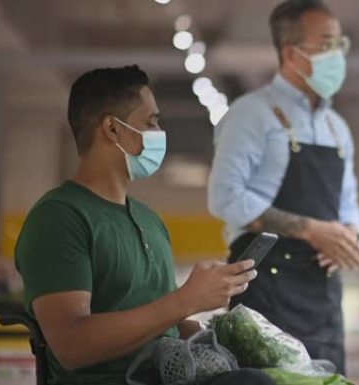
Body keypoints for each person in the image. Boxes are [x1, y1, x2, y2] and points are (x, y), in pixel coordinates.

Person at [14, 66, 274, 385]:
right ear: (112, 129)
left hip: (165, 373)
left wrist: (230, 336)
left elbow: (168, 325)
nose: (159, 131)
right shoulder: (60, 218)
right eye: (150, 121)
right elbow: (71, 344)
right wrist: (186, 299)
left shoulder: (149, 220)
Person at [208, 0, 359, 374]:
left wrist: (350, 238)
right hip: (266, 295)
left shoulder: (337, 128)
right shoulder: (252, 113)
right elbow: (225, 196)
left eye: (339, 44)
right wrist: (313, 231)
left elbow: (351, 209)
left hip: (324, 297)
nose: (337, 54)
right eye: (326, 44)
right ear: (291, 54)